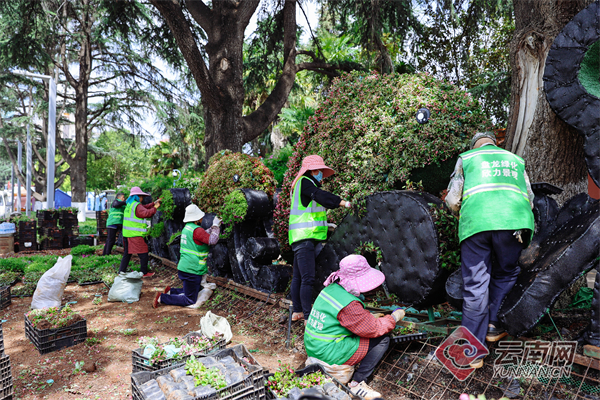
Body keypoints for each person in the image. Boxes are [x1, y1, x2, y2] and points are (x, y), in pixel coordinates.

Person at [445, 131, 535, 368]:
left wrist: (461, 215)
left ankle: (472, 352)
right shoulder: (515, 160)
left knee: (475, 284)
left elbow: (453, 199)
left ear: (474, 145)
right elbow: (529, 197)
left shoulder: (467, 158)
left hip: (477, 224)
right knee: (507, 272)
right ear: (494, 144)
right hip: (513, 225)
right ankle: (494, 325)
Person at [304, 254, 405, 400]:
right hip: (328, 352)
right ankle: (357, 383)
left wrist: (367, 316)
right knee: (382, 339)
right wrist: (394, 317)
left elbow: (344, 319)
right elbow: (374, 329)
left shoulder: (331, 288)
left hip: (313, 345)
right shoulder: (349, 304)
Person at [289, 155, 352, 323]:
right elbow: (321, 196)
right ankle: (308, 317)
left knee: (299, 277)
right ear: (312, 171)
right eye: (320, 171)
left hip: (301, 237)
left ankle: (297, 311)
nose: (322, 174)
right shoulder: (305, 182)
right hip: (305, 237)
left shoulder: (304, 185)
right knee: (308, 278)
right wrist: (343, 203)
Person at [153, 204, 221, 308]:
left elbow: (203, 235)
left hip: (186, 267)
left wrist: (212, 227)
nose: (202, 218)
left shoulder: (188, 228)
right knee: (189, 299)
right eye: (201, 217)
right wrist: (216, 226)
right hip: (192, 270)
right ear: (197, 219)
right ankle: (162, 298)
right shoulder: (197, 230)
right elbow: (212, 240)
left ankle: (171, 291)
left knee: (195, 289)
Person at [119, 187, 162, 278]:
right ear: (138, 197)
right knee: (144, 252)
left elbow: (144, 208)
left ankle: (121, 271)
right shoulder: (137, 205)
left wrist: (154, 203)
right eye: (141, 196)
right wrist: (155, 207)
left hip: (127, 234)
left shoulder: (130, 204)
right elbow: (146, 213)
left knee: (127, 253)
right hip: (135, 234)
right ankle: (144, 272)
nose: (142, 198)